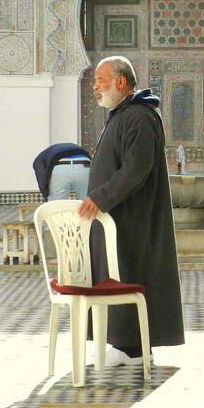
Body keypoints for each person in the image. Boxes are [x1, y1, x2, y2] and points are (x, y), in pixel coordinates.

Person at [77, 56, 185, 366]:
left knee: (129, 273)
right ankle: (128, 346)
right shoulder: (124, 115)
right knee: (118, 273)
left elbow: (136, 168)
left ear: (121, 82)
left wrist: (101, 197)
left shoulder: (138, 116)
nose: (95, 87)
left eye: (101, 80)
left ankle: (133, 348)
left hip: (132, 218)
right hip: (120, 217)